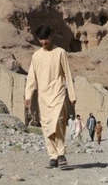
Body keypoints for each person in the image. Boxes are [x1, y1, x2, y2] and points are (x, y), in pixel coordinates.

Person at [24, 25, 77, 169]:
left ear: (51, 36)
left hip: (58, 92)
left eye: (46, 39)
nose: (44, 42)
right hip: (43, 95)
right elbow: (32, 77)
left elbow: (67, 74)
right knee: (47, 126)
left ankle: (61, 154)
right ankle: (53, 156)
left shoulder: (60, 52)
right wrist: (28, 95)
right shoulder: (36, 56)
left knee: (58, 121)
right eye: (41, 39)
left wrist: (72, 95)